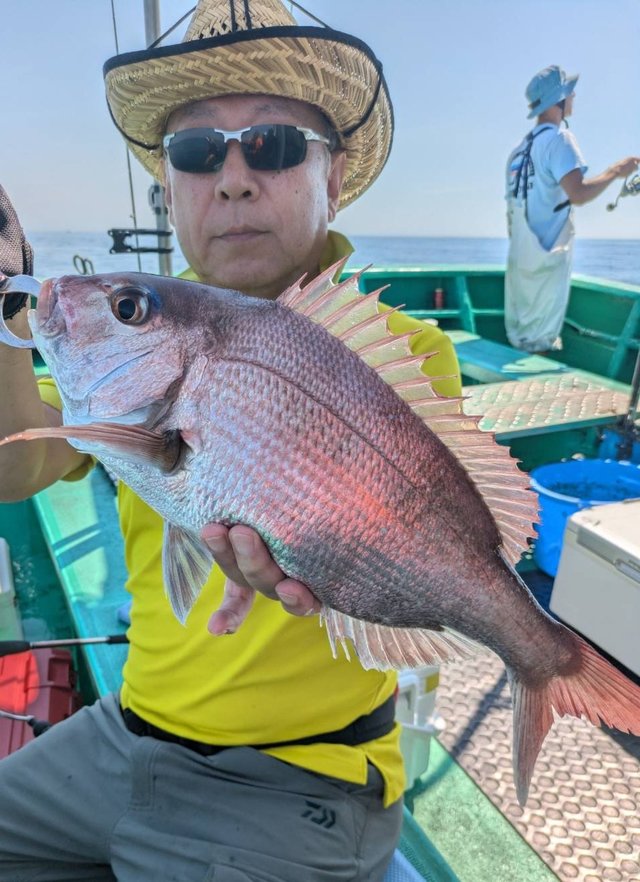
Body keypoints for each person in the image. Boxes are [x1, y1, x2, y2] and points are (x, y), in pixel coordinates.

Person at [0, 1, 462, 880]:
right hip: (124, 734)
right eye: (197, 151)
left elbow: (408, 560)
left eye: (276, 145)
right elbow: (17, 465)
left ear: (335, 178)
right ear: (169, 186)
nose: (235, 179)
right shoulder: (132, 335)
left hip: (298, 777)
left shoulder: (401, 359)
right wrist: (3, 305)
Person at [504, 64, 640, 353]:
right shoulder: (560, 139)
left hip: (520, 259)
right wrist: (616, 171)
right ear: (558, 100)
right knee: (540, 338)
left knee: (523, 335)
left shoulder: (518, 151)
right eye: (569, 92)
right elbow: (578, 193)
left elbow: (512, 213)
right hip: (547, 257)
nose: (574, 96)